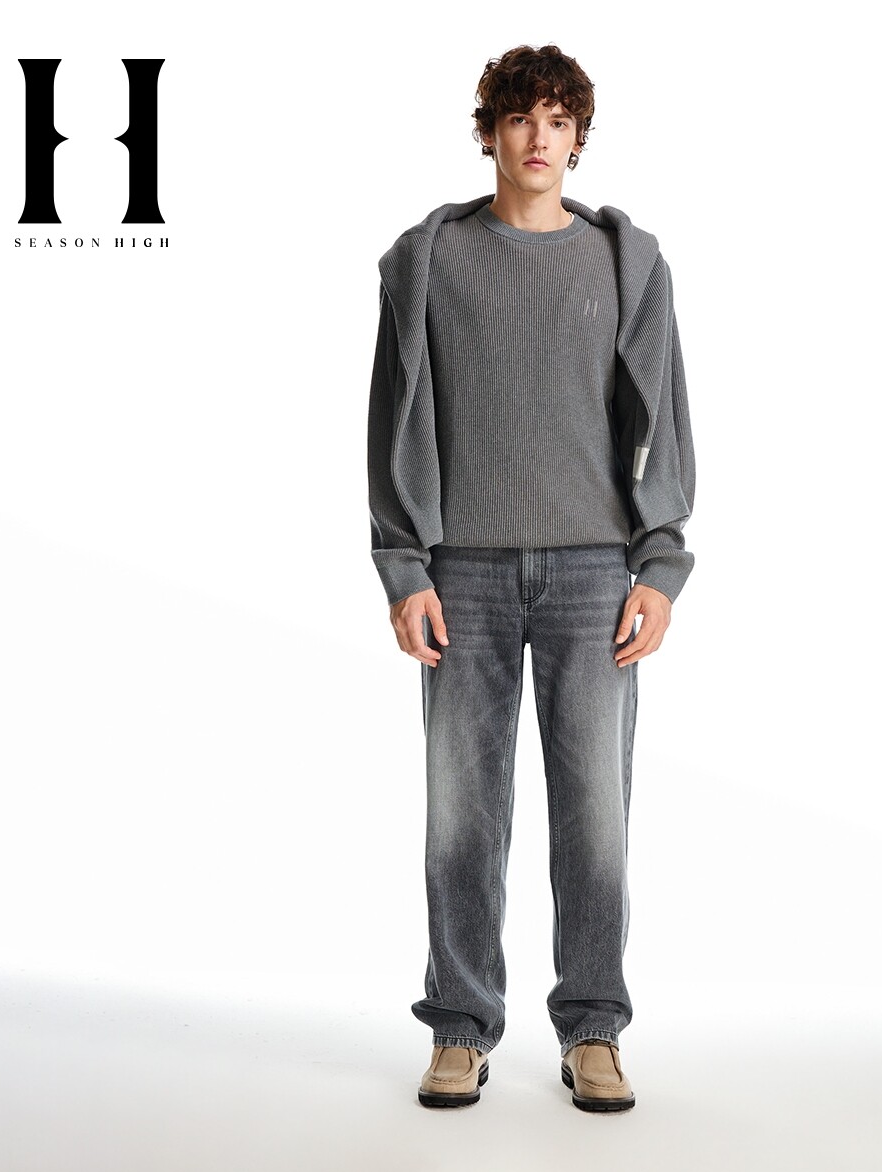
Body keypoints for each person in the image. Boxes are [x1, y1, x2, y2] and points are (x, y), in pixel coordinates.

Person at [366, 43, 696, 1112]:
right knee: (461, 814)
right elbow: (392, 424)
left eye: (558, 120)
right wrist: (402, 565)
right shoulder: (428, 259)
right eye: (519, 119)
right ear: (491, 133)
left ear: (579, 137)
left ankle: (593, 1027)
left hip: (597, 575)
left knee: (595, 813)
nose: (538, 138)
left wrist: (660, 564)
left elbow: (665, 421)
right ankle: (460, 1028)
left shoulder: (625, 263)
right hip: (459, 574)